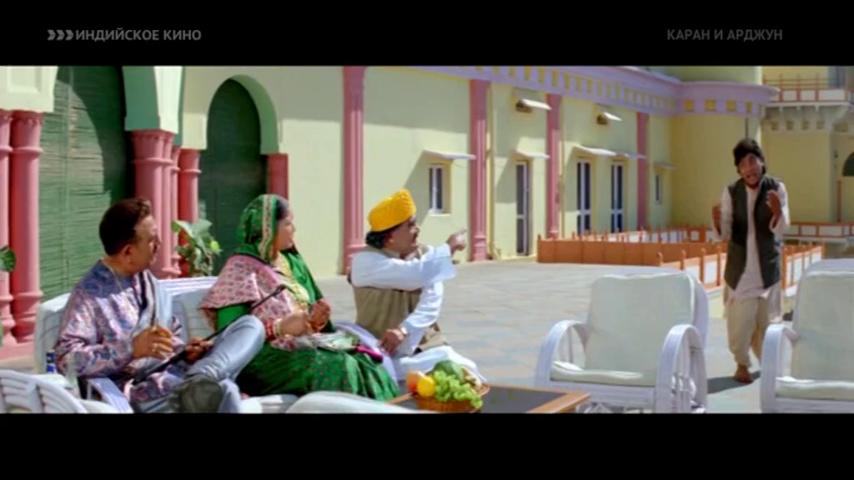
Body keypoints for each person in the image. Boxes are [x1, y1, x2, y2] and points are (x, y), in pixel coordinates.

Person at [55, 198, 265, 413]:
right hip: (140, 389)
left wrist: (186, 350)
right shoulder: (89, 295)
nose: (160, 244)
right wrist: (130, 349)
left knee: (251, 325)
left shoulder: (148, 282)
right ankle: (202, 379)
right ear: (128, 252)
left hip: (178, 373)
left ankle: (202, 375)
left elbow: (170, 336)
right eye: (151, 240)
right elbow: (66, 360)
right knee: (225, 389)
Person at [199, 194, 399, 400]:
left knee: (365, 359)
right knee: (336, 365)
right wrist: (279, 328)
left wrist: (315, 321)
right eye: (288, 223)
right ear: (267, 228)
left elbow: (301, 315)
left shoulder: (290, 262)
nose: (293, 229)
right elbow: (231, 336)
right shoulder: (240, 269)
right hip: (259, 360)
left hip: (299, 348)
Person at [349, 189, 484, 380]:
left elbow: (431, 302)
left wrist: (404, 329)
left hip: (426, 345)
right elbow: (414, 274)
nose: (418, 229)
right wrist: (450, 247)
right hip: (380, 348)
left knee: (464, 373)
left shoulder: (426, 254)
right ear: (390, 236)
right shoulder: (365, 261)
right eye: (410, 225)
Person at [712, 138, 790, 383]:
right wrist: (717, 223)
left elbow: (782, 229)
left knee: (768, 325)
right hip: (740, 271)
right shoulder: (731, 192)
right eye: (743, 164)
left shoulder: (777, 188)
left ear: (762, 163)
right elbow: (724, 233)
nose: (749, 168)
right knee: (740, 324)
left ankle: (768, 364)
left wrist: (777, 212)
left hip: (767, 269)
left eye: (753, 161)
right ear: (738, 170)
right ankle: (741, 364)